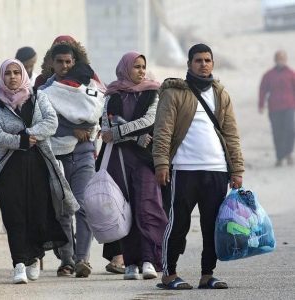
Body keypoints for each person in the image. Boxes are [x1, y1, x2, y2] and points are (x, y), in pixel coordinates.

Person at [153, 44, 245, 290]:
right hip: (183, 169)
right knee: (178, 224)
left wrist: (236, 169)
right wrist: (161, 163)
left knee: (212, 226)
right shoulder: (174, 93)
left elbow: (231, 134)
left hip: (216, 169)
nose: (203, 64)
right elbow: (163, 131)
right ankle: (169, 274)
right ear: (189, 64)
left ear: (212, 63)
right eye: (198, 60)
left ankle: (207, 275)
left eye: (207, 60)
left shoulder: (220, 93)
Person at [0, 58, 79, 284]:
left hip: (38, 164)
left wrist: (29, 134)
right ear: (2, 76)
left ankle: (34, 258)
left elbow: (51, 122)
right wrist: (23, 141)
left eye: (17, 72)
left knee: (37, 212)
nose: (13, 77)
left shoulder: (38, 98)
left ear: (23, 75)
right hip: (9, 167)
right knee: (13, 215)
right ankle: (18, 263)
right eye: (8, 73)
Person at [99, 51, 168, 280]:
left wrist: (119, 132)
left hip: (145, 161)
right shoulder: (112, 95)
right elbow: (106, 125)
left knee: (147, 207)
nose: (141, 71)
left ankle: (149, 259)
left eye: (143, 67)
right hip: (119, 162)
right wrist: (135, 137)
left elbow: (149, 121)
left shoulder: (152, 92)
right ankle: (130, 263)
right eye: (136, 67)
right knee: (125, 210)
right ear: (125, 68)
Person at [39, 43, 103, 278]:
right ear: (52, 63)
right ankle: (66, 260)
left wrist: (86, 127)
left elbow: (98, 110)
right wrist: (72, 128)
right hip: (57, 154)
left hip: (85, 152)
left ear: (74, 62)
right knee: (62, 208)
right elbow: (46, 118)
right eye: (60, 62)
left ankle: (82, 259)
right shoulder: (46, 90)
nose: (65, 66)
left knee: (83, 205)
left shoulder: (89, 86)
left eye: (69, 62)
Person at [259, 50, 295, 167]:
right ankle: (279, 157)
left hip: (289, 106)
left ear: (286, 60)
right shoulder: (268, 75)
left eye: (283, 58)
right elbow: (263, 90)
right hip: (274, 108)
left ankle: (288, 153)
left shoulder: (291, 74)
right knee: (277, 132)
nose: (281, 61)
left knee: (289, 130)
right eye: (279, 58)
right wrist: (261, 104)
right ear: (275, 60)